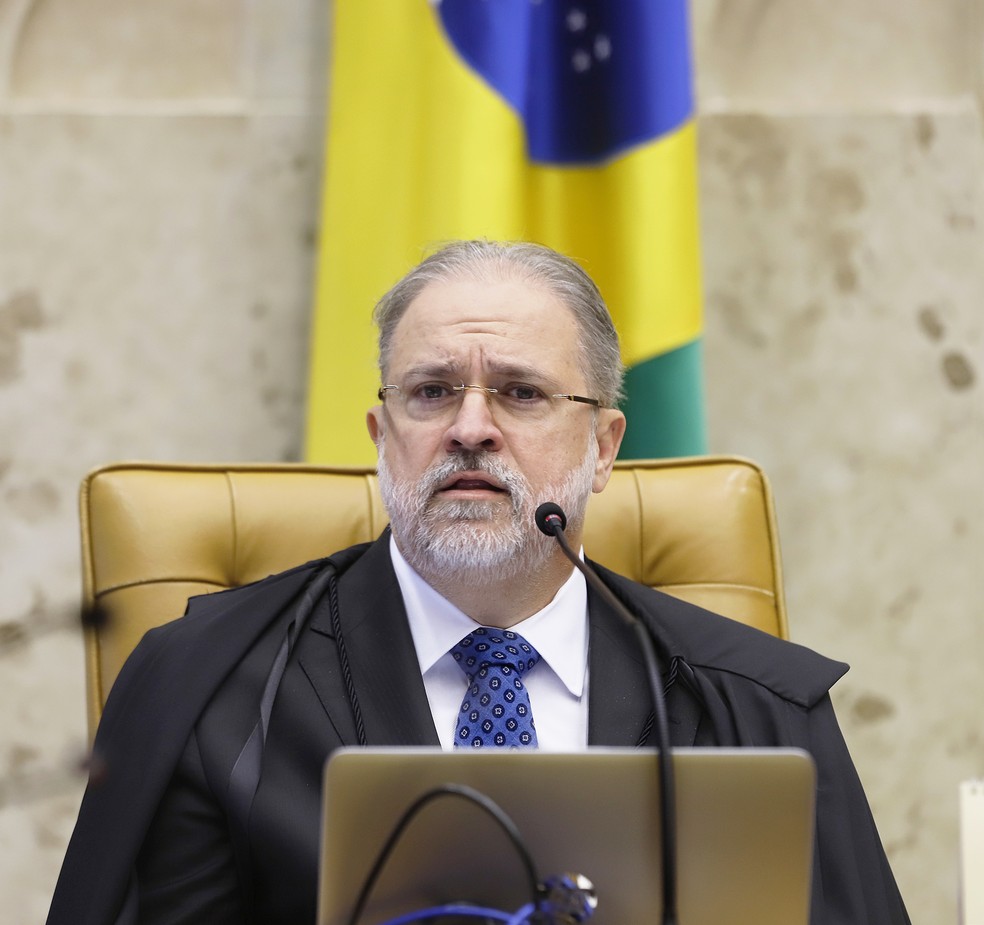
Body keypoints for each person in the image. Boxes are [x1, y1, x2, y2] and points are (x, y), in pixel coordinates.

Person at [48, 240, 910, 925]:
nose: (470, 428)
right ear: (383, 435)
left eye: (521, 393)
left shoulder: (754, 703)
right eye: (430, 392)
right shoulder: (212, 685)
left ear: (604, 446)